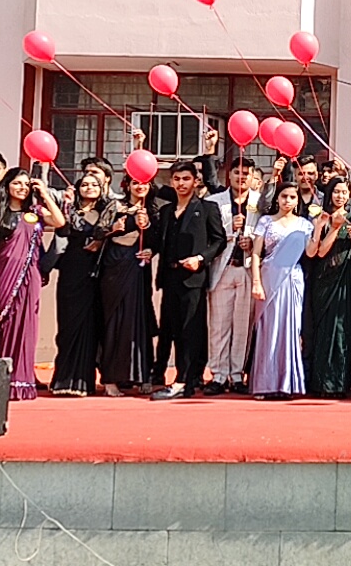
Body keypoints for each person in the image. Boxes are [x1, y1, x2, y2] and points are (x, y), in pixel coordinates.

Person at [0, 168, 66, 400]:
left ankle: (21, 380)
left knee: (26, 324)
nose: (22, 188)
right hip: (2, 274)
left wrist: (45, 194)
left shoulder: (36, 211)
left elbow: (59, 221)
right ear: (7, 186)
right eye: (17, 183)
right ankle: (0, 377)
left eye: (25, 184)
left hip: (30, 275)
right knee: (4, 322)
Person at [150, 161, 227, 400]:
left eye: (186, 179)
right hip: (169, 277)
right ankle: (181, 377)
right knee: (171, 329)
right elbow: (159, 241)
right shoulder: (166, 211)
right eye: (177, 179)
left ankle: (186, 380)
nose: (181, 183)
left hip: (193, 278)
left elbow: (219, 240)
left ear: (196, 181)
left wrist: (200, 259)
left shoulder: (207, 208)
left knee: (190, 330)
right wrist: (149, 250)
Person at [248, 183, 313, 399]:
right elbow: (256, 253)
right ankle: (265, 385)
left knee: (290, 329)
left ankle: (287, 384)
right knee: (269, 329)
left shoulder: (305, 224)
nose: (288, 200)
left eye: (292, 197)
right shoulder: (266, 221)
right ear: (277, 198)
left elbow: (311, 252)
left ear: (297, 200)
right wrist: (256, 282)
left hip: (293, 279)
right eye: (284, 196)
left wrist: (321, 225)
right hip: (269, 277)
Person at [96, 177, 159, 396]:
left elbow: (158, 240)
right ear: (128, 186)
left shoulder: (153, 210)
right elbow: (98, 233)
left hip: (138, 267)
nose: (140, 187)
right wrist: (114, 228)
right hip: (115, 266)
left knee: (139, 320)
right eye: (135, 183)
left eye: (144, 183)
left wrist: (151, 249)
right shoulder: (115, 206)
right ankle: (110, 379)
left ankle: (143, 375)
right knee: (114, 321)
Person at [305, 177, 351, 396]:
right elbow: (320, 252)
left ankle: (340, 382)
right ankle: (321, 383)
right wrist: (333, 227)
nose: (340, 196)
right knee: (324, 330)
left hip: (347, 278)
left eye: (344, 192)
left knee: (343, 329)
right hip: (325, 278)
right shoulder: (321, 218)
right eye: (336, 192)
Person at [204, 156, 261, 395]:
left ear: (252, 177)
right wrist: (230, 231)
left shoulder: (260, 202)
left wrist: (253, 243)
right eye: (237, 172)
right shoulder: (214, 201)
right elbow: (208, 235)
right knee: (219, 325)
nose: (241, 177)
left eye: (246, 174)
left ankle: (237, 374)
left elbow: (267, 231)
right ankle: (218, 374)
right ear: (229, 175)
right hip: (222, 268)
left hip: (247, 268)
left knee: (242, 325)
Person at [51, 174, 107, 397]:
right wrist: (66, 205)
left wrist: (101, 239)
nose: (89, 187)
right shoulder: (69, 209)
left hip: (95, 274)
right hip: (71, 273)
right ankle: (63, 379)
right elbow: (62, 230)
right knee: (68, 326)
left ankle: (83, 381)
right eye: (84, 184)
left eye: (94, 185)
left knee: (90, 326)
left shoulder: (107, 211)